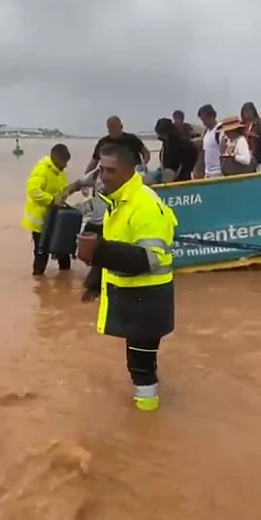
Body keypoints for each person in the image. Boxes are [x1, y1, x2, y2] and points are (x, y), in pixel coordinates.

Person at [76, 143, 177, 412]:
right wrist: (94, 281)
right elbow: (115, 243)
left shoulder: (144, 204)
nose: (104, 176)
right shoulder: (117, 201)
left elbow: (150, 258)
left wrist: (99, 251)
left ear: (129, 171)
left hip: (148, 300)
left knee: (140, 366)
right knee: (140, 360)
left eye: (111, 170)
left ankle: (147, 421)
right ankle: (147, 406)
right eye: (101, 170)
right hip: (134, 297)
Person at [21, 144, 72, 275]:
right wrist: (51, 200)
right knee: (41, 252)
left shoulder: (61, 173)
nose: (65, 166)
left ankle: (65, 281)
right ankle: (38, 282)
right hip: (40, 220)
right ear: (55, 158)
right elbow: (32, 190)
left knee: (63, 250)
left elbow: (62, 191)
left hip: (55, 217)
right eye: (63, 162)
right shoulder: (42, 170)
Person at [84, 116, 150, 174]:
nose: (113, 130)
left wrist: (143, 164)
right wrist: (86, 174)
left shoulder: (132, 139)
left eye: (115, 128)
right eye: (110, 128)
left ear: (121, 127)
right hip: (111, 174)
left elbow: (146, 153)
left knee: (147, 180)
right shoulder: (103, 143)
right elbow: (94, 161)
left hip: (133, 171)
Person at [196, 104, 223, 178]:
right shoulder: (205, 132)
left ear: (212, 116)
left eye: (205, 119)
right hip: (208, 173)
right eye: (202, 120)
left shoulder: (220, 130)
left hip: (219, 172)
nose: (204, 122)